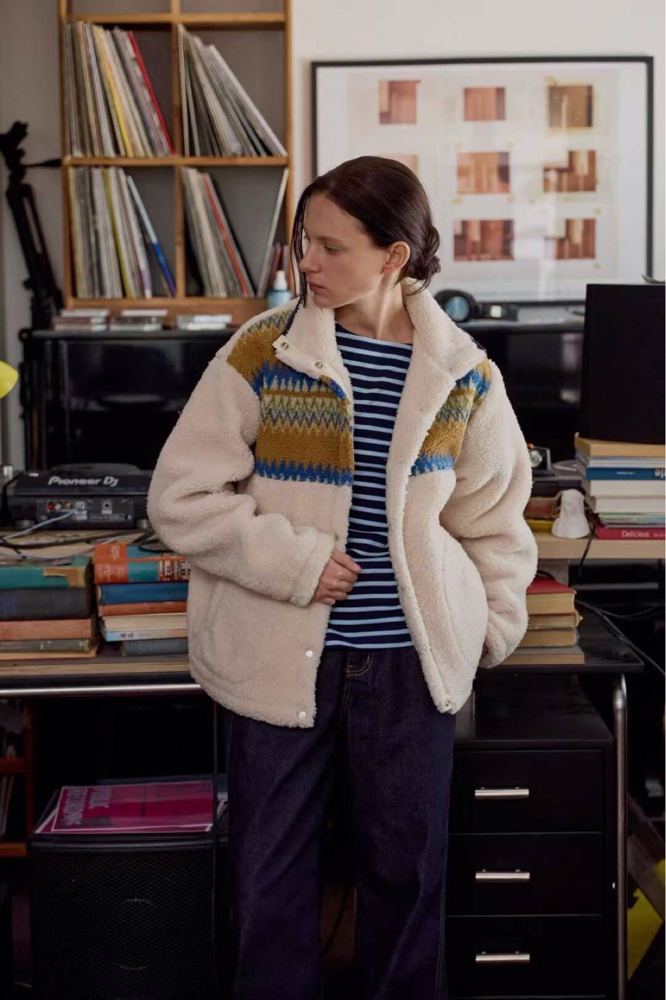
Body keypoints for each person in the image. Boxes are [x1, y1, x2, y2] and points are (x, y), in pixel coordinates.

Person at [147, 155, 538, 1000]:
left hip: (408, 670)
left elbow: (495, 523)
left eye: (331, 247)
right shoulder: (265, 350)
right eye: (303, 244)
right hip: (277, 660)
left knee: (407, 880)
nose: (307, 264)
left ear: (394, 257)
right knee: (268, 881)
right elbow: (181, 497)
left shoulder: (466, 375)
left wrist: (484, 632)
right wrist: (293, 562)